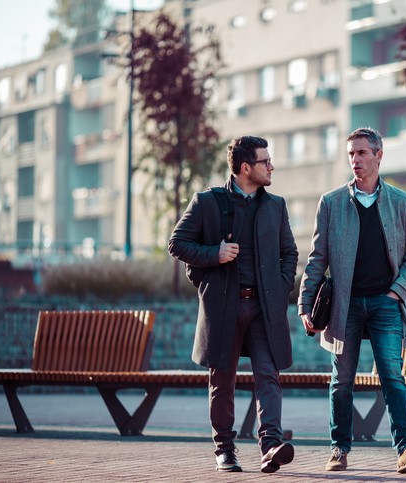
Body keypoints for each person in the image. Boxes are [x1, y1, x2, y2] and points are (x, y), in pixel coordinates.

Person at [298, 127, 406, 474]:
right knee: (342, 380)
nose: (355, 160)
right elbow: (317, 258)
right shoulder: (332, 202)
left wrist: (396, 291)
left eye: (361, 153)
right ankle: (339, 449)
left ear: (378, 156)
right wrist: (305, 303)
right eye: (351, 154)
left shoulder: (400, 201)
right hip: (346, 306)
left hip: (386, 304)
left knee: (393, 377)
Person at [168, 136, 298, 473]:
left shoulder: (276, 205)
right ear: (245, 168)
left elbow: (290, 253)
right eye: (264, 161)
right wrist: (215, 255)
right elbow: (177, 244)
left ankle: (270, 445)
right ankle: (224, 449)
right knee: (222, 380)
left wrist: (279, 288)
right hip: (222, 307)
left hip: (263, 309)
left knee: (268, 375)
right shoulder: (207, 202)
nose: (271, 167)